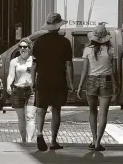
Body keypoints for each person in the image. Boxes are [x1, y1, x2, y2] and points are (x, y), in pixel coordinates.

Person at [31, 13, 74, 151]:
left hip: (42, 79)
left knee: (40, 109)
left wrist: (33, 81)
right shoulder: (65, 42)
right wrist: (71, 82)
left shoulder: (38, 42)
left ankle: (39, 133)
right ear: (59, 25)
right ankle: (54, 141)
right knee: (56, 110)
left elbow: (34, 64)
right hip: (58, 79)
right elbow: (68, 65)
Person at [77, 23, 119, 151]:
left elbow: (84, 69)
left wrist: (79, 86)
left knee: (92, 112)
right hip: (106, 81)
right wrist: (117, 85)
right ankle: (98, 142)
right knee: (103, 113)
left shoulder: (88, 49)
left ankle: (94, 139)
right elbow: (115, 71)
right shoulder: (111, 50)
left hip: (91, 80)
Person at [7, 38, 36, 142]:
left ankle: (29, 141)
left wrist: (34, 82)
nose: (22, 49)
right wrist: (8, 85)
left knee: (30, 116)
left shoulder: (33, 60)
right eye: (21, 47)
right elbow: (11, 75)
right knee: (21, 117)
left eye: (25, 47)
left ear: (29, 48)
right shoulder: (14, 61)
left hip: (30, 91)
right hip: (17, 90)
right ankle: (24, 140)